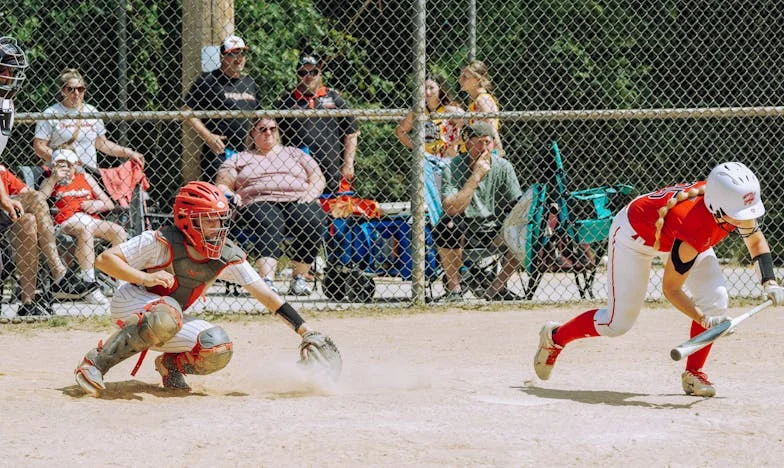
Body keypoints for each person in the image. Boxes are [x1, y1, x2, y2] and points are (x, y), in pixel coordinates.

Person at [533, 162, 784, 397]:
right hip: (634, 239)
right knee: (616, 323)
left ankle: (694, 373)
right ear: (717, 210)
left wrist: (769, 282)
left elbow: (754, 240)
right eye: (738, 214)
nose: (745, 219)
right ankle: (555, 337)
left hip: (676, 236)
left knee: (716, 299)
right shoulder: (694, 225)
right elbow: (671, 288)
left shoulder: (723, 204)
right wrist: (704, 320)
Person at [73, 181, 341, 397]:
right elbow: (105, 260)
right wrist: (145, 279)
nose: (218, 227)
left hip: (169, 315)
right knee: (168, 312)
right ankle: (95, 363)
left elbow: (267, 295)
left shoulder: (225, 255)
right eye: (209, 220)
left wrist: (305, 330)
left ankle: (170, 365)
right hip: (132, 303)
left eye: (221, 219)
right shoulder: (161, 241)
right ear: (187, 219)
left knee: (217, 347)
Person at [0, 37, 97, 316]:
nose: (11, 76)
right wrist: (5, 198)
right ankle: (59, 273)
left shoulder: (7, 104)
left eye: (13, 70)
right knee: (30, 206)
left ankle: (29, 303)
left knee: (29, 219)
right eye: (5, 69)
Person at [216, 117, 327, 296]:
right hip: (258, 200)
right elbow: (222, 183)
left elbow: (318, 177)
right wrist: (230, 194)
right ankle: (267, 281)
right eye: (262, 129)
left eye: (272, 129)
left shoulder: (295, 153)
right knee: (269, 221)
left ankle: (299, 278)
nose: (268, 132)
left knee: (311, 219)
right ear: (253, 132)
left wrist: (310, 193)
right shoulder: (240, 158)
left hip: (298, 198)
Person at [433, 122, 523, 302]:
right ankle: (455, 290)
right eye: (478, 142)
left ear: (493, 144)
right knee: (446, 226)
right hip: (464, 228)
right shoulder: (453, 167)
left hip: (495, 228)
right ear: (468, 144)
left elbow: (517, 204)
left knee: (524, 228)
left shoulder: (503, 167)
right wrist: (476, 176)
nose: (483, 148)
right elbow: (451, 208)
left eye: (487, 143)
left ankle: (496, 288)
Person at [39, 149, 128, 305]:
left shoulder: (84, 177)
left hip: (91, 218)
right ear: (54, 165)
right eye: (60, 164)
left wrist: (96, 204)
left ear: (75, 164)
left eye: (68, 165)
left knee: (118, 231)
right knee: (84, 230)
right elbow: (40, 199)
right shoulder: (49, 180)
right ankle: (90, 286)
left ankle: (121, 282)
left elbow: (108, 203)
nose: (65, 168)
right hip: (66, 221)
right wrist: (54, 178)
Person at [274, 53, 359, 195]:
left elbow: (351, 132)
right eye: (302, 72)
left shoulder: (334, 98)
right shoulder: (285, 103)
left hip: (333, 171)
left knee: (336, 211)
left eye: (313, 72)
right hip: (298, 173)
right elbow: (272, 137)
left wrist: (348, 164)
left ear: (320, 74)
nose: (308, 76)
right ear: (296, 75)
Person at [32, 68, 144, 175]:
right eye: (71, 89)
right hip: (61, 174)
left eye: (80, 89)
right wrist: (63, 160)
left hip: (89, 174)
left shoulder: (91, 111)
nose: (76, 93)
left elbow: (102, 144)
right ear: (62, 91)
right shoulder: (51, 113)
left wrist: (129, 152)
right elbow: (39, 146)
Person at [182, 35, 259, 183]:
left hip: (247, 153)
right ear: (222, 57)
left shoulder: (250, 83)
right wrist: (208, 136)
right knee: (220, 199)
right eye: (232, 54)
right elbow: (186, 110)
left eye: (241, 53)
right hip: (219, 154)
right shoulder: (209, 80)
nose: (238, 59)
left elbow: (259, 117)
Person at [395, 72, 463, 160]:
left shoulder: (449, 110)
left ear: (440, 89)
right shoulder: (418, 112)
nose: (427, 92)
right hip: (426, 160)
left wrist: (454, 145)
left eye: (431, 88)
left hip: (447, 159)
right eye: (425, 88)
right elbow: (400, 132)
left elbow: (467, 127)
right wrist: (417, 148)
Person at [457, 60, 503, 155]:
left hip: (483, 151)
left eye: (465, 77)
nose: (460, 79)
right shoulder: (475, 100)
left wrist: (499, 150)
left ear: (477, 79)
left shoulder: (482, 100)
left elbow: (492, 128)